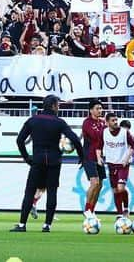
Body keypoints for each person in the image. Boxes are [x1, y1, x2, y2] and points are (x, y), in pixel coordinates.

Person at [11, 94, 84, 233]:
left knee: (30, 191)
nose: (59, 107)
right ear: (53, 106)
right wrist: (82, 156)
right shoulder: (59, 122)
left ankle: (22, 225)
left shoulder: (33, 120)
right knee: (52, 192)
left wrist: (27, 158)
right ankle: (47, 225)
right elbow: (75, 139)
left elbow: (20, 140)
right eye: (58, 105)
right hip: (54, 161)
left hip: (37, 161)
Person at [102, 112, 134, 217]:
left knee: (121, 188)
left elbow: (133, 145)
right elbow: (98, 145)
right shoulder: (104, 132)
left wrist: (126, 158)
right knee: (115, 190)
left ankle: (126, 208)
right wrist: (99, 156)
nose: (116, 122)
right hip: (111, 164)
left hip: (123, 165)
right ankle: (120, 214)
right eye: (113, 120)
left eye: (116, 120)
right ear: (107, 122)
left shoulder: (124, 132)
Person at [80, 99, 106, 218]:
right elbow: (96, 136)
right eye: (97, 108)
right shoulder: (87, 123)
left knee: (100, 185)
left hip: (99, 157)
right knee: (94, 182)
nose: (100, 110)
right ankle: (86, 209)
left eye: (101, 108)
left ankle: (91, 210)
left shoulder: (102, 123)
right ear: (91, 110)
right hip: (89, 156)